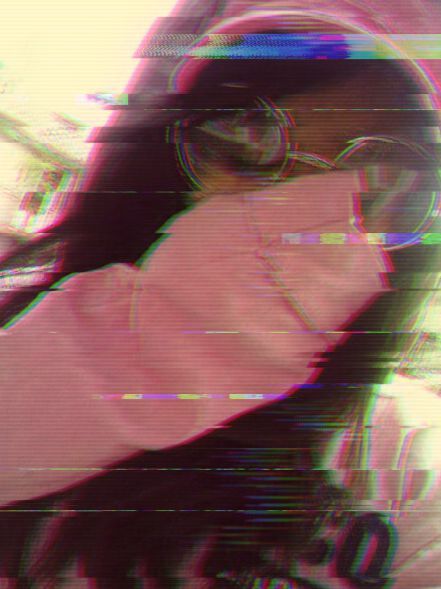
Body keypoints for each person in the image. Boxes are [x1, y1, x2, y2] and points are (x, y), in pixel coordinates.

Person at [0, 0, 439, 587]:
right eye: (247, 138)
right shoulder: (17, 313)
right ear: (178, 157)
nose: (289, 205)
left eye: (376, 179)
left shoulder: (408, 470)